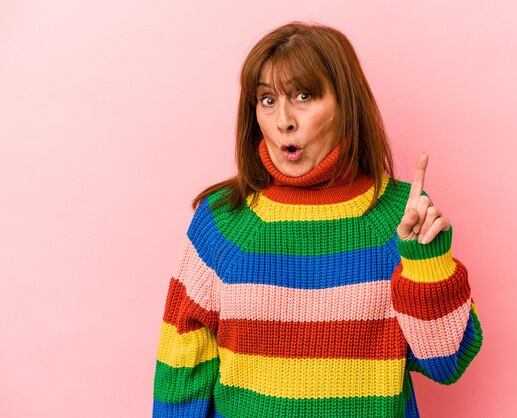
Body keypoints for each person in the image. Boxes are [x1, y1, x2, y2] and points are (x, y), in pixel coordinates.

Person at [152, 21, 483, 418]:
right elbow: (180, 372)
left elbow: (447, 364)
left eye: (303, 96)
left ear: (345, 104)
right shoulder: (224, 222)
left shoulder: (399, 216)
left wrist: (425, 263)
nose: (283, 120)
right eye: (267, 99)